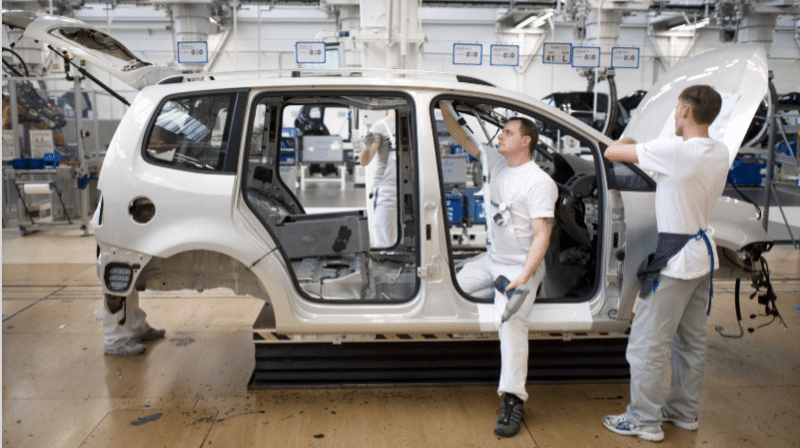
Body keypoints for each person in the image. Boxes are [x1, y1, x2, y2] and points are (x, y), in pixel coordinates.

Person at [602, 85, 727, 442]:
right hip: (702, 257)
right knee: (690, 342)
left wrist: (630, 134)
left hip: (674, 264)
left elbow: (613, 151)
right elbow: (674, 179)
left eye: (676, 110)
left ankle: (643, 419)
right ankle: (683, 412)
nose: (674, 116)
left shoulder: (674, 150)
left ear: (686, 111)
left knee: (646, 345)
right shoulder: (719, 151)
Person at [440, 101, 557, 438]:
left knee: (510, 322)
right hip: (491, 261)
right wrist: (446, 102)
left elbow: (542, 235)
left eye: (508, 132)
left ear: (526, 141)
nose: (500, 135)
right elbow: (457, 134)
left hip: (522, 267)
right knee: (450, 289)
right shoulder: (495, 162)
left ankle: (513, 399)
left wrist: (523, 279)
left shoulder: (539, 182)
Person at [91, 198, 166, 356]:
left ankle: (136, 327)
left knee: (129, 269)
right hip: (116, 214)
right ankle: (115, 341)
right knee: (119, 274)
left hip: (126, 210)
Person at [359, 112, 397, 247]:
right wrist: (367, 147)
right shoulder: (381, 126)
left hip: (413, 187)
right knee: (384, 238)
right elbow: (364, 161)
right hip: (387, 191)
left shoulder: (416, 124)